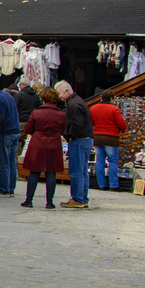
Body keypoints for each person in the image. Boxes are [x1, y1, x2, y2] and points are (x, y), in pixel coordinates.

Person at [21, 87, 67, 208]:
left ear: (43, 99)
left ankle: (29, 200)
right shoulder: (61, 114)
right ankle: (50, 202)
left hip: (38, 143)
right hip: (54, 143)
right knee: (51, 172)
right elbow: (63, 129)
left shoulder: (36, 112)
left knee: (34, 172)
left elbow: (28, 129)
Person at [54, 81, 94, 209]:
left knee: (76, 170)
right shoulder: (78, 101)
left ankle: (77, 198)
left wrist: (71, 136)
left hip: (79, 140)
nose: (59, 96)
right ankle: (82, 198)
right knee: (82, 171)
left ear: (66, 91)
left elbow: (77, 124)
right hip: (85, 139)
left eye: (60, 93)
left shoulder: (73, 104)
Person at [0, 80, 22, 198]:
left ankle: (4, 189)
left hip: (6, 133)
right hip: (15, 132)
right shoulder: (7, 95)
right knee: (12, 161)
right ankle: (11, 188)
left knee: (4, 162)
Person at [90, 90, 128, 191]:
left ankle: (101, 185)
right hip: (111, 138)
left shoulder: (93, 108)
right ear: (112, 99)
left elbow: (91, 122)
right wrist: (122, 130)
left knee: (99, 161)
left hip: (97, 137)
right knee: (113, 161)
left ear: (101, 98)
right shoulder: (114, 109)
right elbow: (122, 124)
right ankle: (113, 185)